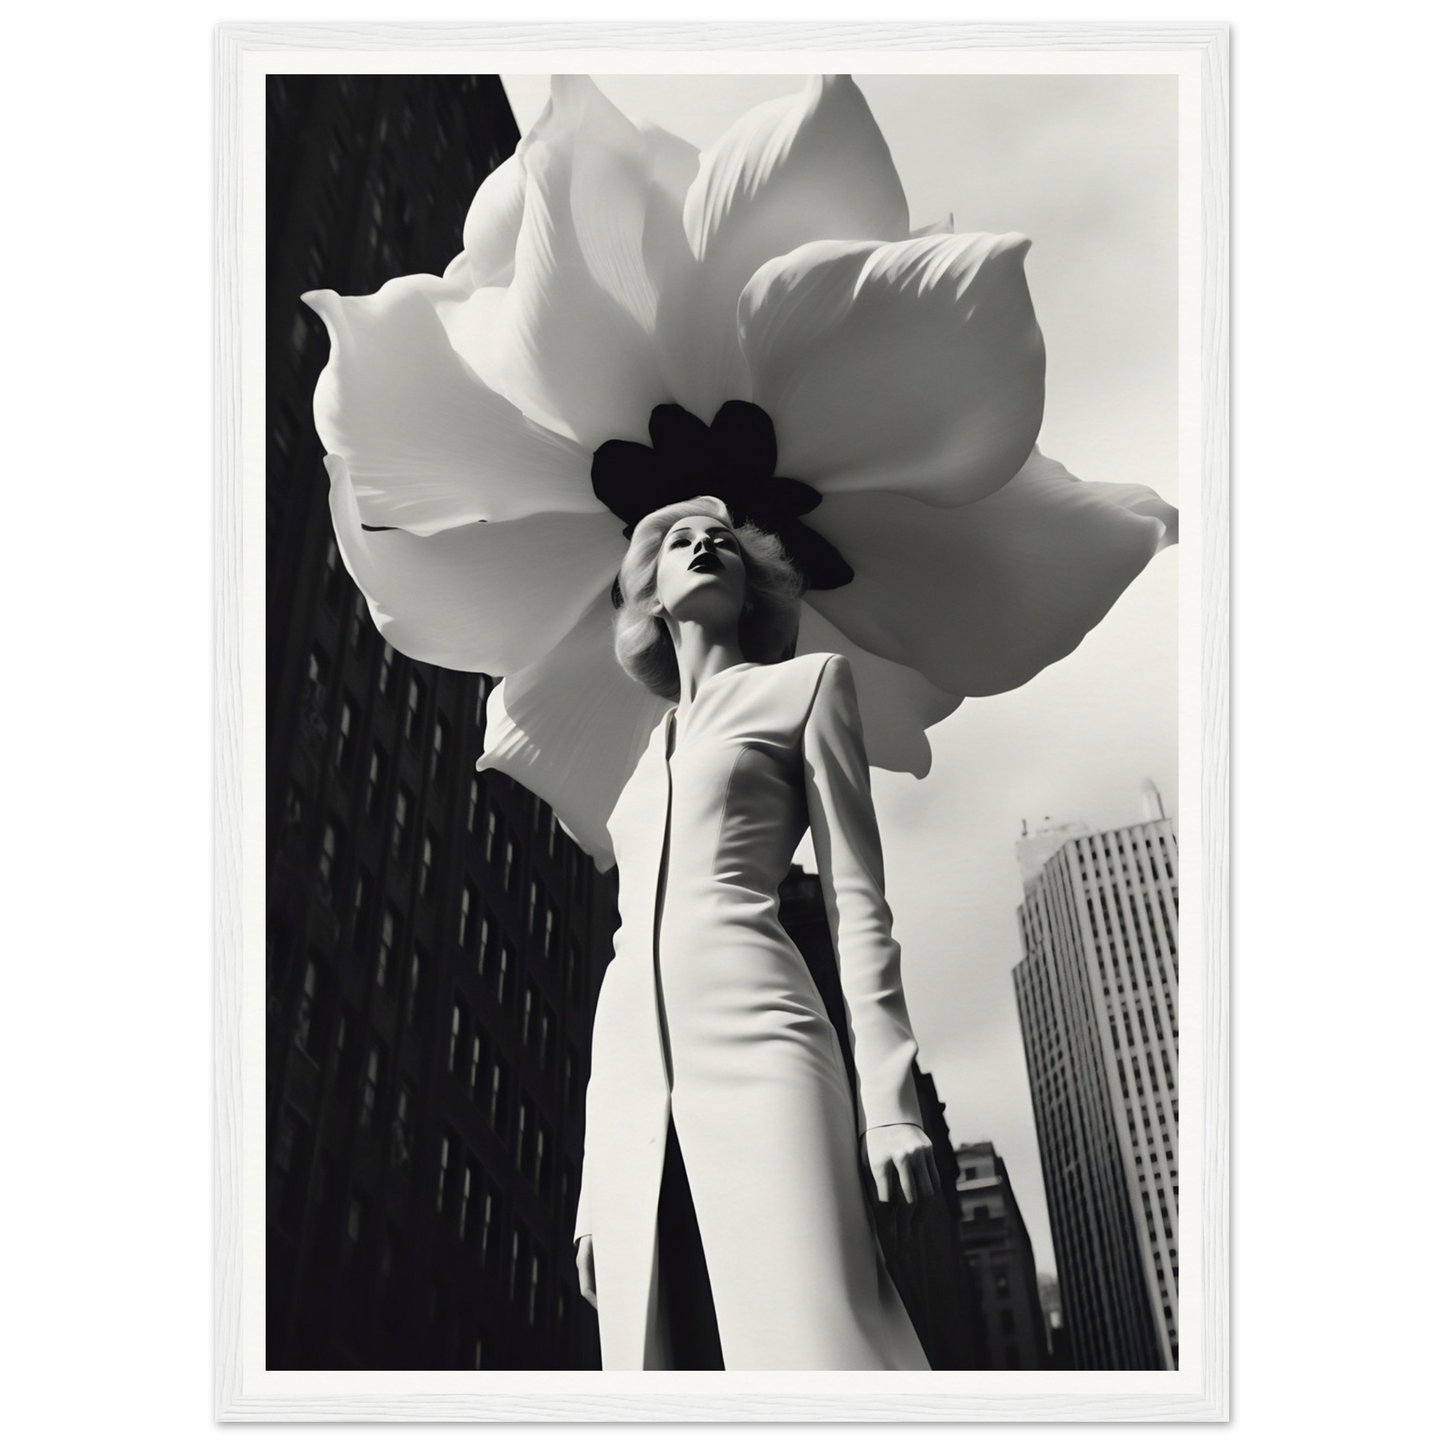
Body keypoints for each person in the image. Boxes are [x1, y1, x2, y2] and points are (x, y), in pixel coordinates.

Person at [572, 493, 940, 1370]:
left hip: (765, 1039)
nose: (703, 545)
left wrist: (888, 1101)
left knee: (818, 1331)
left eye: (724, 544)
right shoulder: (639, 763)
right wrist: (595, 1179)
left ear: (751, 589)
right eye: (679, 543)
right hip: (632, 1084)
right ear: (651, 595)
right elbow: (627, 953)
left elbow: (858, 898)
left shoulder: (807, 686)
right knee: (665, 1360)